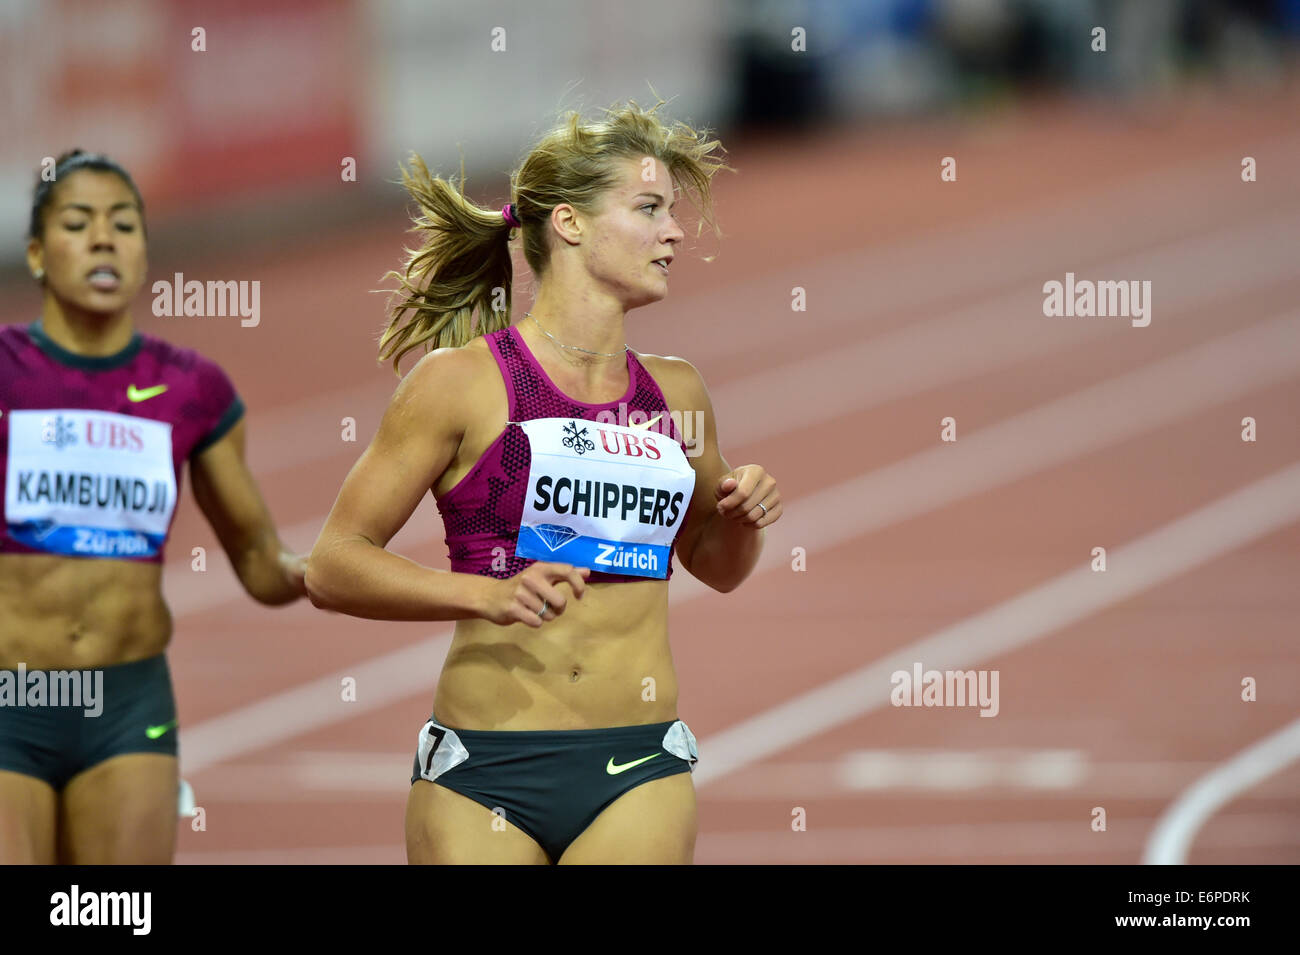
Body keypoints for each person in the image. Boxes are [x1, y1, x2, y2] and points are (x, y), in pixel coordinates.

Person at [306, 99, 783, 865]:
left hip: (638, 764)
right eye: (649, 208)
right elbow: (332, 564)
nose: (675, 231)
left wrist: (743, 515)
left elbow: (717, 566)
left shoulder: (677, 393)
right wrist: (484, 594)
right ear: (570, 223)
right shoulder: (460, 384)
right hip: (483, 768)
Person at [0, 150, 308, 864]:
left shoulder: (191, 388)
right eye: (79, 224)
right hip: (12, 698)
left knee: (111, 917)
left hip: (126, 704)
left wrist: (327, 571)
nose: (105, 238)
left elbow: (260, 560)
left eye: (125, 225)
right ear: (39, 254)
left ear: (143, 251)